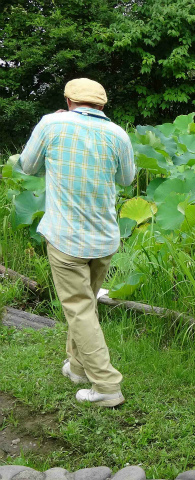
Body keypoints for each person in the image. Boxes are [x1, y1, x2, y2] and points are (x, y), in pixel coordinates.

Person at [19, 78, 135, 407]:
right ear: (102, 105)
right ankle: (78, 367)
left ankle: (107, 386)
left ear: (69, 100)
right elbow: (126, 179)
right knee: (85, 305)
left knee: (80, 309)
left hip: (66, 238)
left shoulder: (51, 123)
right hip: (104, 239)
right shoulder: (118, 134)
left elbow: (27, 167)